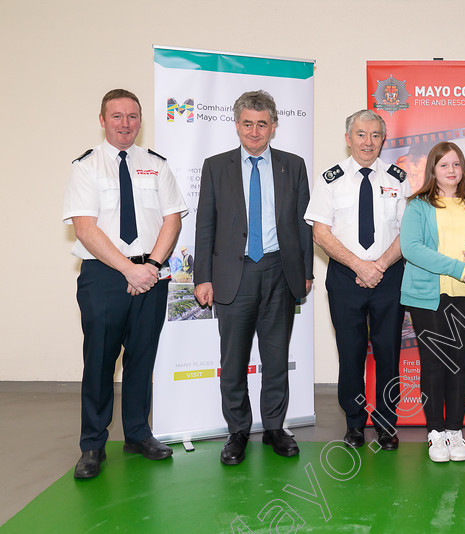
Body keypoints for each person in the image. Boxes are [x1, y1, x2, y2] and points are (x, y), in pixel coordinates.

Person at [63, 89, 187, 478]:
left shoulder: (156, 165)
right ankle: (92, 445)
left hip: (151, 273)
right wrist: (127, 270)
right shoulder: (86, 167)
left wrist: (149, 265)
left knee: (141, 358)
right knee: (99, 361)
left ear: (140, 121)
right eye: (117, 116)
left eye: (133, 116)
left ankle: (137, 433)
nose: (125, 124)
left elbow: (172, 219)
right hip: (103, 275)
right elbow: (85, 228)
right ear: (102, 120)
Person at [194, 90, 313, 465]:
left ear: (274, 127)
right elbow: (205, 225)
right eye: (248, 123)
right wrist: (202, 277)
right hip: (234, 275)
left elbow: (303, 224)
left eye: (262, 124)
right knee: (233, 362)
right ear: (237, 125)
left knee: (276, 358)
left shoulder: (293, 165)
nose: (255, 131)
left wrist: (306, 271)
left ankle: (275, 428)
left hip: (280, 272)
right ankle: (238, 432)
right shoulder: (216, 166)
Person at [304, 109, 411, 450]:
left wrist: (378, 265)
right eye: (361, 134)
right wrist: (358, 265)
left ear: (383, 139)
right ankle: (354, 423)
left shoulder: (398, 178)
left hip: (390, 276)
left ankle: (386, 423)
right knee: (350, 353)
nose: (368, 142)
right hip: (345, 278)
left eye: (375, 135)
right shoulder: (329, 179)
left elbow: (408, 232)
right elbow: (320, 232)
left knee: (388, 352)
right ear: (348, 138)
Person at [400, 142, 465, 462]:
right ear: (433, 170)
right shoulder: (418, 205)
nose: (452, 170)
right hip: (429, 297)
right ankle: (435, 433)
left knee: (459, 363)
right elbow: (411, 248)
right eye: (444, 165)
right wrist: (458, 268)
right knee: (432, 364)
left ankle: (455, 431)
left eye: (456, 164)